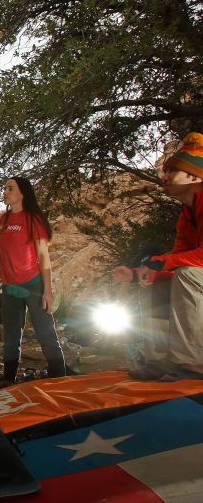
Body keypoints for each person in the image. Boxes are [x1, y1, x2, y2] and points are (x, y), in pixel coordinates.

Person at [111, 132, 203, 380]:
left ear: (194, 175)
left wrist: (162, 262)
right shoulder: (187, 214)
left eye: (172, 171)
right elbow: (181, 256)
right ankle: (161, 359)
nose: (164, 177)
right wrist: (142, 273)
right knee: (154, 283)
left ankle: (194, 362)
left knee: (187, 276)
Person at [0, 177, 67, 383]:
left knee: (45, 333)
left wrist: (48, 291)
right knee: (11, 337)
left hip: (33, 284)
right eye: (4, 188)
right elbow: (1, 254)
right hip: (10, 287)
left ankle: (60, 378)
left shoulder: (32, 219)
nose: (5, 192)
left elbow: (43, 257)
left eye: (10, 188)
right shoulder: (3, 220)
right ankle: (8, 379)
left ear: (22, 193)